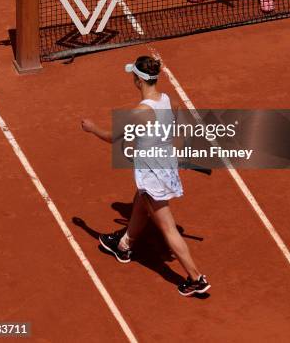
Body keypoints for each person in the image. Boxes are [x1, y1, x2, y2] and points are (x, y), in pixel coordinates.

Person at [81, 55, 211, 297]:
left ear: (138, 81)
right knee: (140, 203)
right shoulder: (166, 100)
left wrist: (91, 128)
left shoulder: (141, 112)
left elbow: (112, 137)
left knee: (168, 229)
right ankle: (123, 246)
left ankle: (196, 278)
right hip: (163, 166)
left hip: (154, 176)